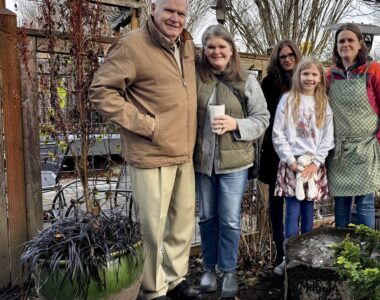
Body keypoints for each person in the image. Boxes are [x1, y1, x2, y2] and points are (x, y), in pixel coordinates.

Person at [89, 0, 199, 299]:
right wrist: (147, 126)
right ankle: (153, 289)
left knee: (181, 224)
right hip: (150, 155)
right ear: (153, 9)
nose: (176, 19)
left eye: (181, 13)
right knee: (151, 229)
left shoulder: (187, 46)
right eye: (169, 11)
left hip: (183, 152)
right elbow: (100, 92)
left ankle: (176, 280)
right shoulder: (131, 46)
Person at [194, 24, 269, 298]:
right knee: (206, 217)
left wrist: (235, 123)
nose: (216, 51)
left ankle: (229, 271)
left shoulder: (247, 80)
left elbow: (262, 118)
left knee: (229, 220)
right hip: (203, 161)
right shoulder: (195, 78)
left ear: (231, 50)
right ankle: (208, 269)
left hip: (235, 163)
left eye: (222, 47)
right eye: (211, 47)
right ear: (204, 49)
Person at [326, 23, 380, 229]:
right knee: (340, 204)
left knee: (365, 203)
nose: (345, 44)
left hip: (366, 148)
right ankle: (344, 252)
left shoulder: (373, 70)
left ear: (360, 45)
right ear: (336, 46)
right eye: (341, 41)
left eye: (350, 40)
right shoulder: (330, 75)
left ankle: (366, 253)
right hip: (338, 150)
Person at [272, 57, 334, 275]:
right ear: (298, 75)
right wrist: (290, 161)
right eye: (305, 73)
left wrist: (316, 163)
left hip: (313, 165)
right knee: (291, 212)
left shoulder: (323, 104)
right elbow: (277, 133)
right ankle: (288, 257)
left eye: (314, 74)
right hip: (292, 163)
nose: (310, 78)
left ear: (320, 78)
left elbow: (328, 137)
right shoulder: (288, 100)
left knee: (308, 211)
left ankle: (306, 256)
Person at [259, 40, 302, 269]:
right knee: (276, 204)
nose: (287, 59)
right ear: (277, 59)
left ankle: (297, 250)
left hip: (301, 152)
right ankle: (279, 251)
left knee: (298, 202)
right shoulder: (269, 83)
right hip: (276, 152)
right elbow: (264, 117)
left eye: (290, 55)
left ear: (297, 55)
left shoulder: (306, 81)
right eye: (282, 56)